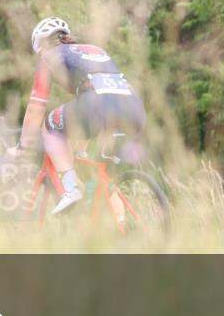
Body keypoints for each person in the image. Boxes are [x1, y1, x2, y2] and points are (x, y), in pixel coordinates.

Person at [8, 17, 147, 215]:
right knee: (101, 175)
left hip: (98, 106)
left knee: (49, 125)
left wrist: (22, 147)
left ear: (41, 47)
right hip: (135, 110)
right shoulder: (94, 50)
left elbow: (35, 108)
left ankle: (71, 188)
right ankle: (123, 224)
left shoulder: (49, 57)